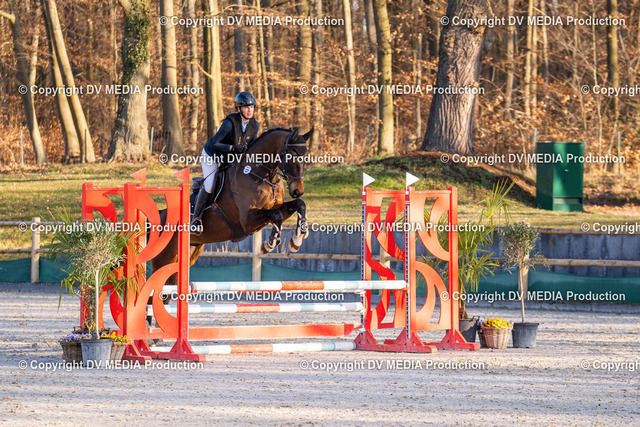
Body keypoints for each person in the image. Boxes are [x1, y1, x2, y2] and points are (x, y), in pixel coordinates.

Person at [191, 91, 260, 233]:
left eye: (251, 107)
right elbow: (215, 143)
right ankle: (196, 219)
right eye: (246, 107)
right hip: (212, 154)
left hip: (230, 158)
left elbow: (252, 148)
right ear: (239, 109)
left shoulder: (254, 125)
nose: (249, 110)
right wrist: (232, 148)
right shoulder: (230, 123)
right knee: (210, 184)